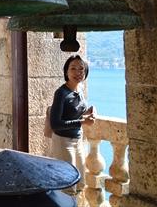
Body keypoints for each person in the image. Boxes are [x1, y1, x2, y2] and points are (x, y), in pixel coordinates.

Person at [50, 55, 96, 206]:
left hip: (78, 141)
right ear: (66, 72)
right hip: (64, 142)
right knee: (68, 185)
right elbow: (55, 123)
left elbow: (73, 114)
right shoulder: (61, 93)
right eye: (73, 68)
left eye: (81, 69)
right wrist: (83, 121)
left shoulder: (79, 90)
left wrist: (87, 113)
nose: (78, 72)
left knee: (81, 182)